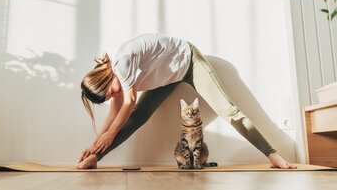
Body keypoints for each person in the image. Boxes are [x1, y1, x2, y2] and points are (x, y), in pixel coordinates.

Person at [77, 33, 296, 169]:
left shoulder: (122, 62)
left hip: (188, 61)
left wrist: (108, 134)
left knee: (227, 110)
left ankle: (272, 154)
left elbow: (127, 103)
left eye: (111, 92)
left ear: (105, 78)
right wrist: (95, 146)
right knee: (137, 119)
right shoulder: (116, 81)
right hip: (166, 79)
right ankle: (95, 159)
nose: (114, 96)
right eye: (109, 97)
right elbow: (116, 112)